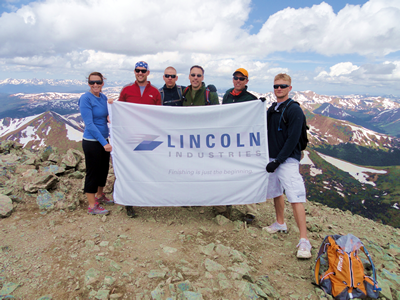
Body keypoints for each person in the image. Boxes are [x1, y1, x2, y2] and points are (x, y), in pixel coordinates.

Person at [264, 73, 311, 259]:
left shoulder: (294, 110)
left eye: (283, 86)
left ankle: (304, 240)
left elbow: (293, 139)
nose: (279, 89)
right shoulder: (273, 108)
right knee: (276, 191)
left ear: (290, 88)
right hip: (273, 158)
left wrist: (279, 160)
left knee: (295, 196)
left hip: (287, 160)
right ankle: (280, 223)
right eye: (276, 86)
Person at [116, 61, 161, 218]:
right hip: (130, 136)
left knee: (147, 167)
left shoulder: (155, 92)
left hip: (149, 137)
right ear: (134, 72)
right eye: (137, 70)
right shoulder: (127, 90)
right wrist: (111, 106)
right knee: (130, 169)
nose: (140, 73)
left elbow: (160, 115)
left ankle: (148, 197)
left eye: (143, 71)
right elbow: (119, 110)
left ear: (148, 73)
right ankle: (129, 202)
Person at [216, 68, 259, 223]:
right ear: (233, 79)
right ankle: (222, 208)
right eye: (236, 78)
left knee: (246, 174)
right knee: (224, 173)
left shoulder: (252, 99)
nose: (238, 81)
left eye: (242, 78)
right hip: (227, 141)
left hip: (243, 143)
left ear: (246, 81)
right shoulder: (227, 95)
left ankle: (250, 212)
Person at [79, 72, 113, 215]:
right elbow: (90, 124)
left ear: (102, 83)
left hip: (104, 140)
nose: (95, 85)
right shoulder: (85, 98)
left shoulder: (103, 97)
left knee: (103, 170)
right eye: (92, 82)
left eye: (98, 82)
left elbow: (105, 115)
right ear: (88, 83)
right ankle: (92, 205)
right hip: (92, 142)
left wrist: (112, 108)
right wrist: (103, 142)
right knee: (93, 172)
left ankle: (100, 195)